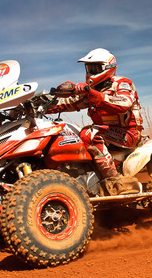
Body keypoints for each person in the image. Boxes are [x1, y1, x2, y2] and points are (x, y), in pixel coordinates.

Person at [48, 48, 143, 195]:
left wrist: (90, 92)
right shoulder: (92, 90)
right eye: (89, 68)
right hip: (106, 135)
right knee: (65, 135)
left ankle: (115, 180)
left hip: (128, 135)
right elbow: (68, 103)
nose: (91, 72)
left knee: (88, 133)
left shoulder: (122, 84)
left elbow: (124, 103)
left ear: (108, 67)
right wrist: (40, 106)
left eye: (95, 68)